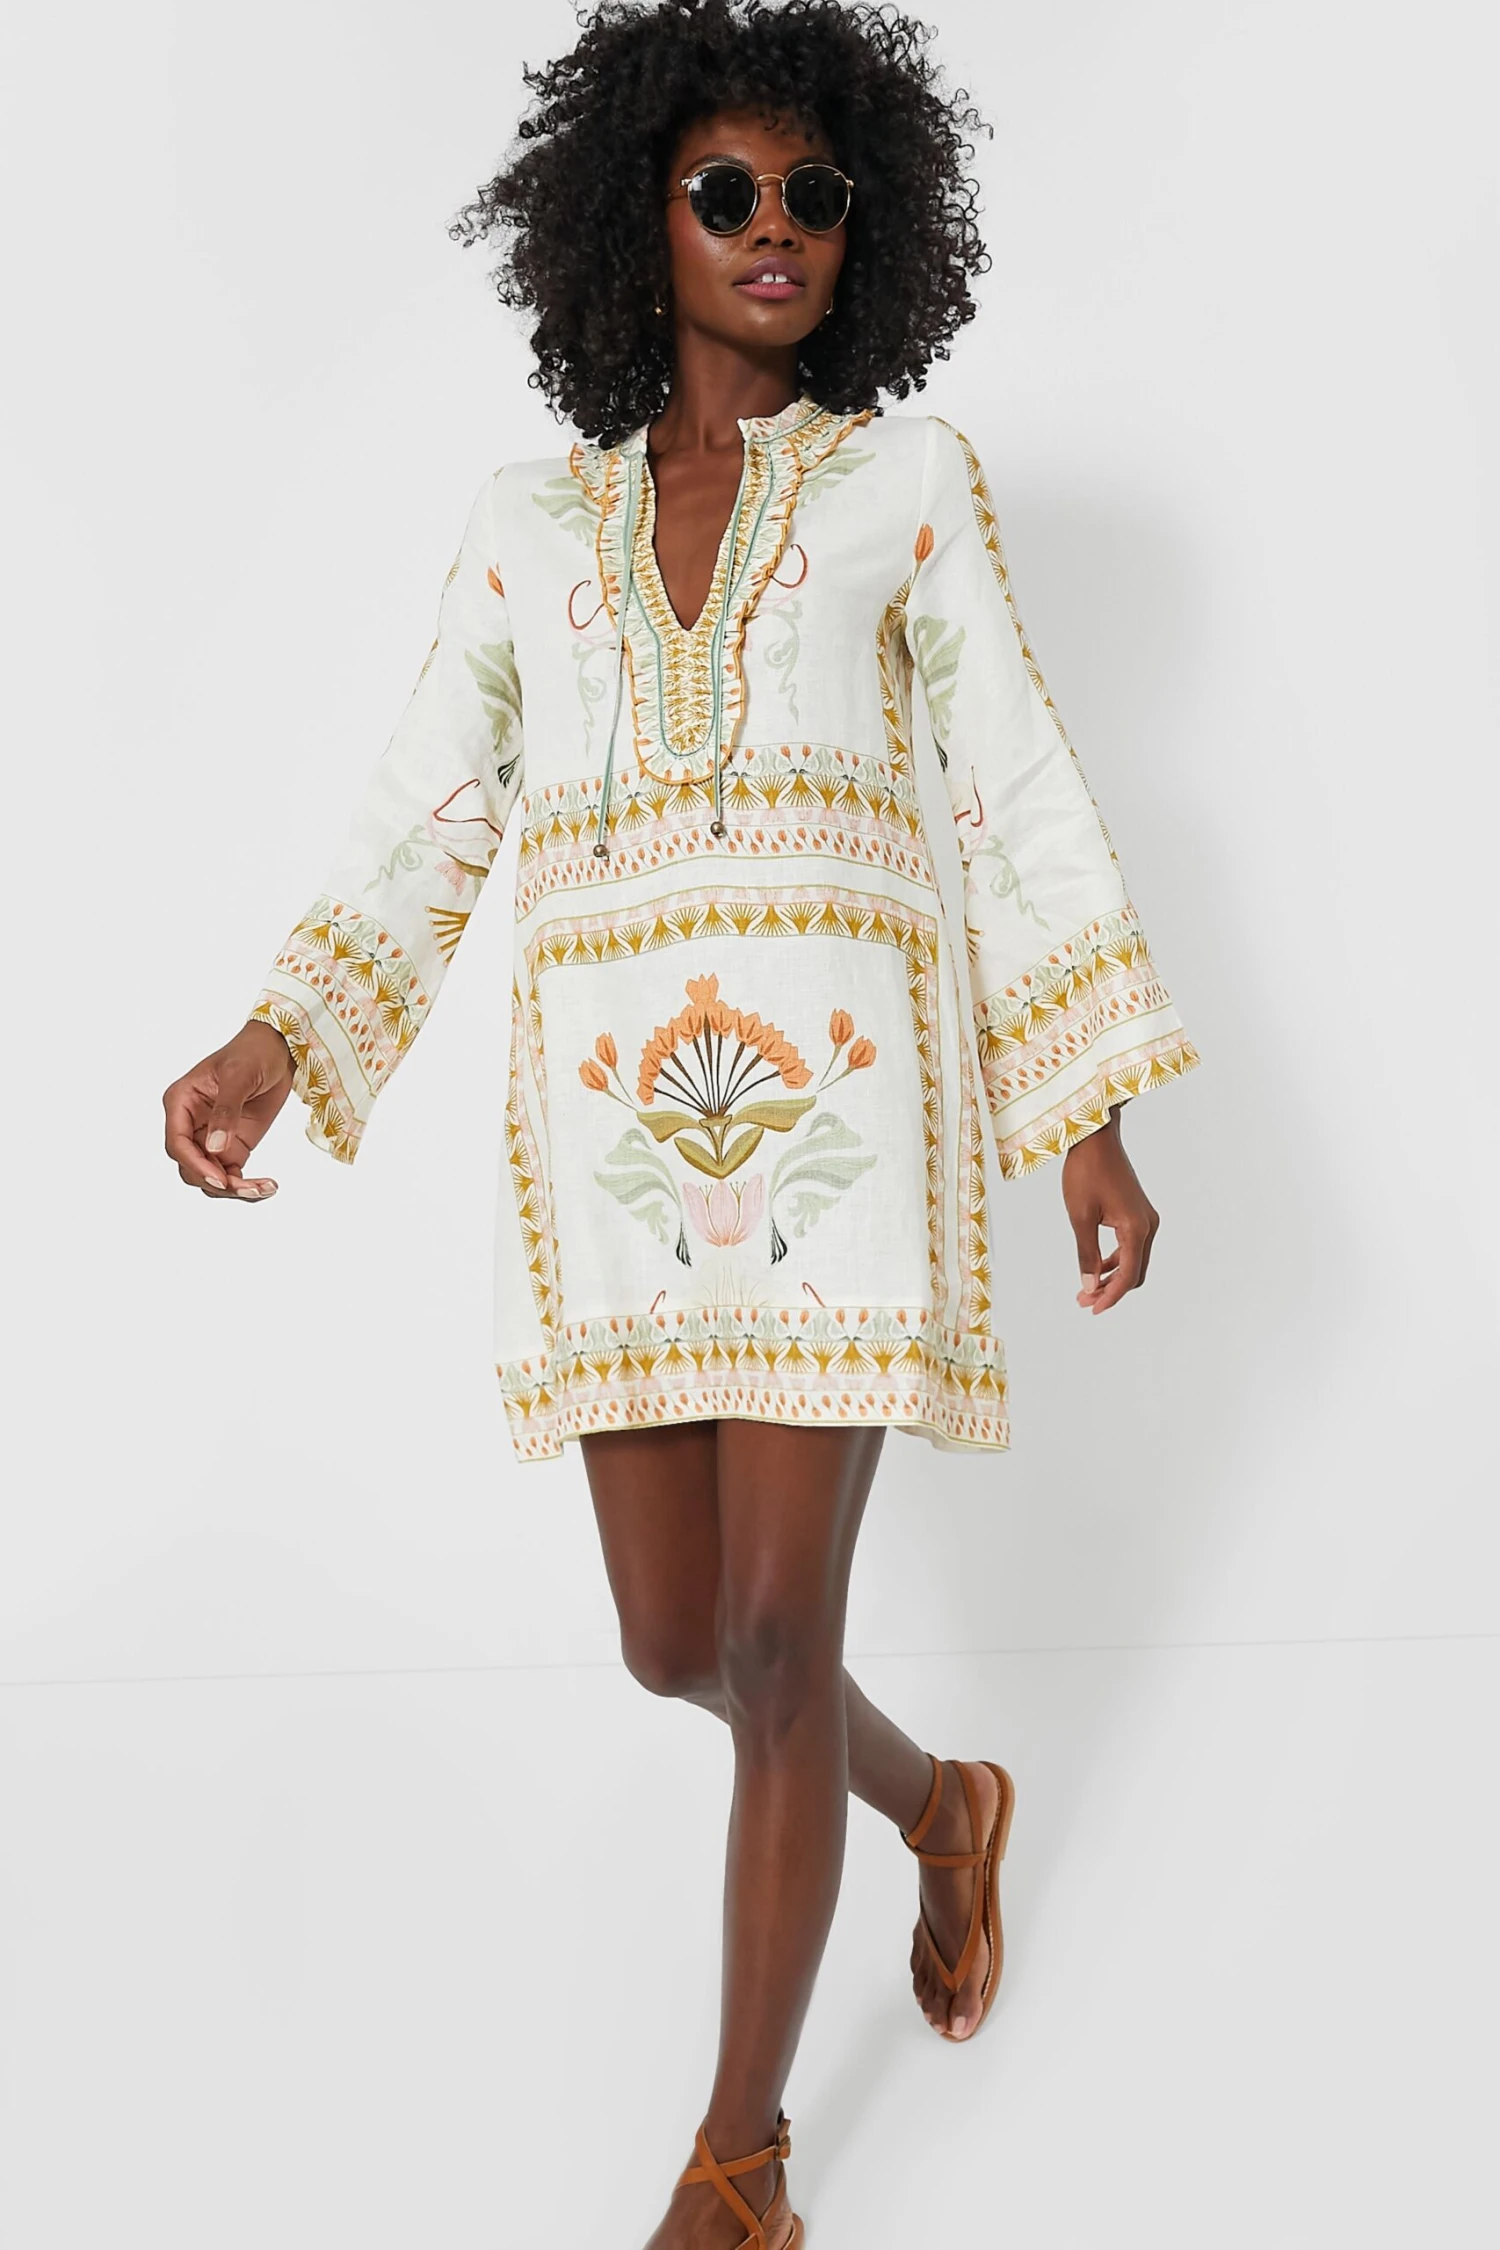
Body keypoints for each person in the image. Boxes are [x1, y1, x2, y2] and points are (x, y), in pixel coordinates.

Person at [162, 3, 1200, 2241]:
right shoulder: (528, 530)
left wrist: (1086, 1112)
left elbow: (1015, 793)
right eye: (727, 190)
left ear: (865, 230)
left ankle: (743, 2162)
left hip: (847, 1136)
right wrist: (275, 1041)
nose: (774, 227)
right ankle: (945, 1809)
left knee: (775, 1636)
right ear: (639, 219)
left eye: (815, 196)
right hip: (622, 1155)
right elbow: (429, 818)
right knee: (681, 1645)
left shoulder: (907, 488)